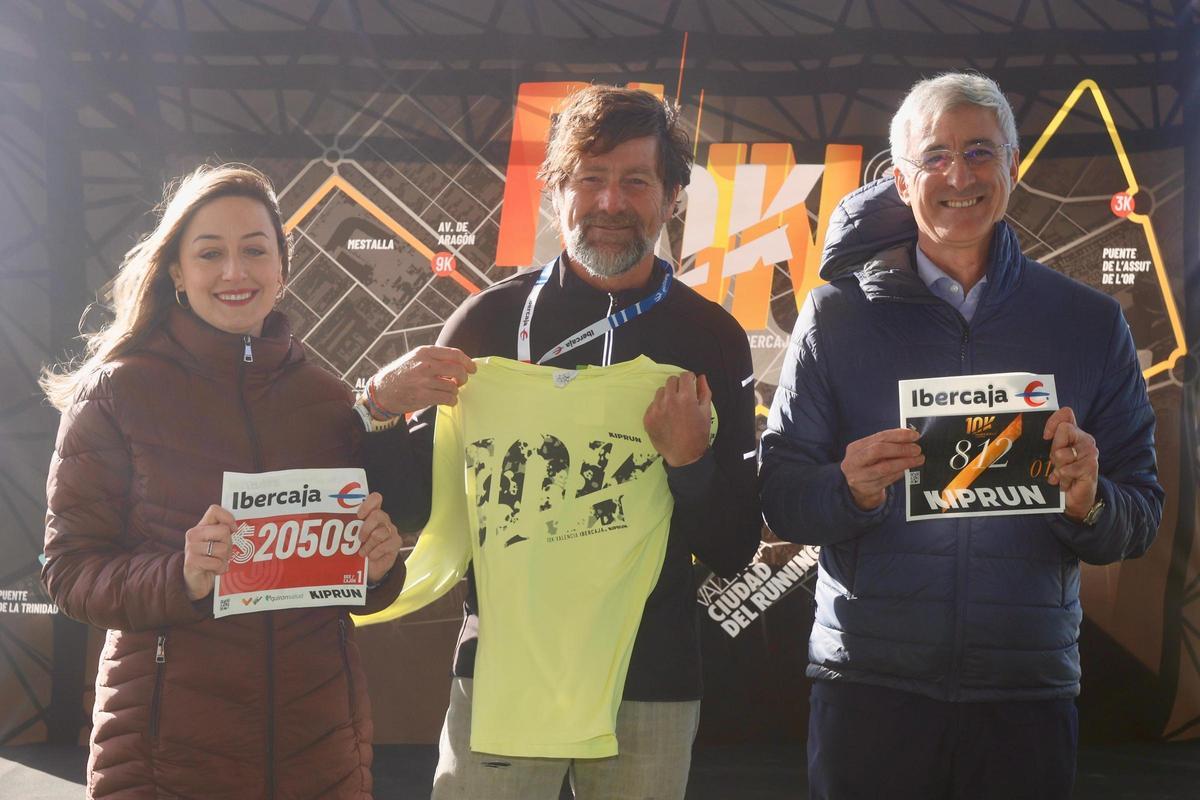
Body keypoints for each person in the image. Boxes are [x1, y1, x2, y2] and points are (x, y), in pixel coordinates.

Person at [760, 72, 1164, 800]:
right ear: (902, 180)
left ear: (1012, 166)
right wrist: (846, 489)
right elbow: (782, 498)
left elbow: (1138, 516)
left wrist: (1089, 500)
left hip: (1025, 691)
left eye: (981, 152)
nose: (959, 174)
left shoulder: (1089, 322)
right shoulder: (835, 318)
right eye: (935, 156)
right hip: (869, 685)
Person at [365, 84, 761, 798]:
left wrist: (691, 463)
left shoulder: (712, 339)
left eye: (636, 181)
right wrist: (382, 408)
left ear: (672, 198)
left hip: (651, 676)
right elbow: (419, 499)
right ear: (556, 194)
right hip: (506, 666)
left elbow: (734, 548)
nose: (611, 204)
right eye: (590, 179)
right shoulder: (486, 323)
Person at [41, 164, 410, 800]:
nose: (235, 273)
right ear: (177, 273)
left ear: (281, 268)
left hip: (321, 757)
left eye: (254, 250)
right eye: (210, 253)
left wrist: (377, 567)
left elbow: (349, 588)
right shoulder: (119, 392)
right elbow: (69, 571)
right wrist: (181, 576)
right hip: (166, 763)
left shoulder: (326, 401)